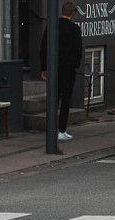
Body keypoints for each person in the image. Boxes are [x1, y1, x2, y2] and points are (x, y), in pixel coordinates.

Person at [40, 1, 83, 141]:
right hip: (68, 68)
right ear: (73, 13)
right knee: (65, 99)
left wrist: (44, 67)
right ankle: (61, 130)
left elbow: (43, 47)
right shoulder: (74, 29)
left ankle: (51, 127)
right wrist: (76, 65)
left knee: (53, 98)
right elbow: (78, 49)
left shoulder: (52, 26)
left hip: (54, 67)